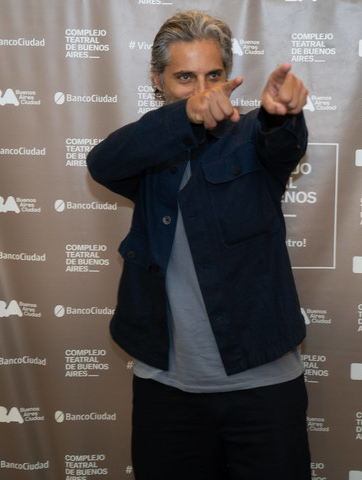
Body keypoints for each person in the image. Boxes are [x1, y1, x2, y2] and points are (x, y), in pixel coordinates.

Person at [87, 10, 310, 480]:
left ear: (229, 78)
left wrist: (285, 115)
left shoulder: (253, 135)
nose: (203, 90)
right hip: (167, 390)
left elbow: (283, 144)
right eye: (185, 77)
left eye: (213, 75)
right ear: (158, 80)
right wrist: (182, 118)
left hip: (263, 385)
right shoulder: (147, 150)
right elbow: (103, 162)